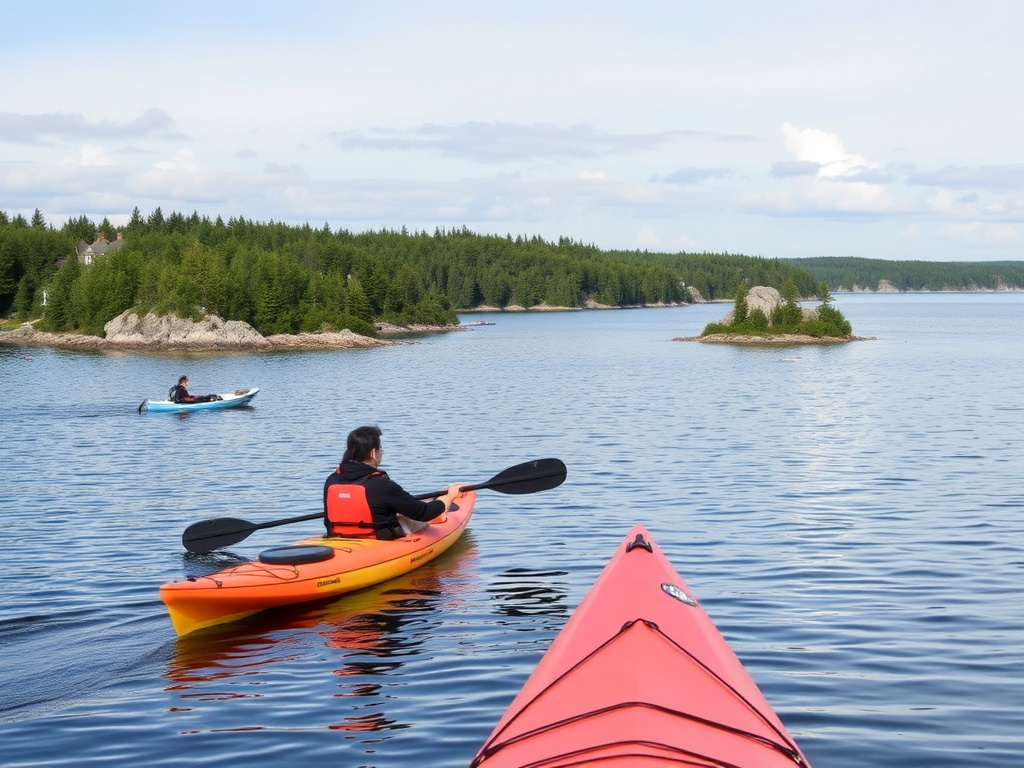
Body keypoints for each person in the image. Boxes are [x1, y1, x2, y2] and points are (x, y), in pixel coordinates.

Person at [324, 425, 461, 540]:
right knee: (417, 520)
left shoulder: (332, 480)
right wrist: (447, 498)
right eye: (381, 449)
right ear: (373, 453)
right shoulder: (380, 485)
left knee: (395, 512)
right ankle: (441, 515)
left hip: (339, 536)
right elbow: (424, 513)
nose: (381, 453)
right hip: (378, 538)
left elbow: (327, 520)